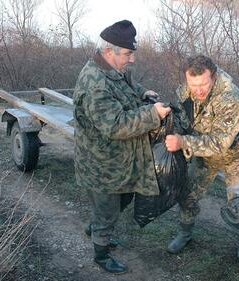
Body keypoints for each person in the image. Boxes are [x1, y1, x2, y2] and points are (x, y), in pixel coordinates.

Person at [72, 20, 171, 274]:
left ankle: (96, 228)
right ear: (109, 51)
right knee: (108, 210)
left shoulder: (111, 68)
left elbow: (126, 86)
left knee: (122, 198)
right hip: (102, 163)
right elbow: (115, 125)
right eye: (127, 54)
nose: (132, 60)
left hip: (119, 160)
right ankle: (101, 253)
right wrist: (152, 115)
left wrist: (142, 92)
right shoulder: (96, 83)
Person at [164, 55, 239, 264]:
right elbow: (182, 123)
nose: (198, 90)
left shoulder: (230, 97)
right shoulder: (184, 92)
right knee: (188, 194)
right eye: (193, 84)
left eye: (203, 84)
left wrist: (183, 142)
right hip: (204, 154)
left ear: (213, 78)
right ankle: (185, 233)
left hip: (236, 154)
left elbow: (219, 143)